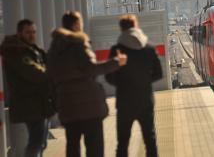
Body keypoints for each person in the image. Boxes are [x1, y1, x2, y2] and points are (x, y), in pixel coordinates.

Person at [46, 11, 127, 157]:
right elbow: (91, 69)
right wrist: (116, 62)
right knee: (94, 147)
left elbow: (50, 78)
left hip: (66, 104)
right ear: (77, 24)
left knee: (72, 145)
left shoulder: (53, 50)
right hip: (89, 106)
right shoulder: (78, 44)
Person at [106, 14, 162, 157]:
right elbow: (158, 74)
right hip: (145, 101)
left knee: (123, 143)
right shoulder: (149, 48)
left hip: (124, 102)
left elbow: (109, 76)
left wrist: (123, 84)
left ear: (121, 29)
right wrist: (144, 81)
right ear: (136, 26)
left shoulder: (116, 50)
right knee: (150, 140)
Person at [0, 19, 54, 157]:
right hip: (30, 103)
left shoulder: (31, 49)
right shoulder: (16, 51)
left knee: (40, 141)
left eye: (34, 32)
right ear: (19, 33)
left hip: (39, 102)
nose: (32, 35)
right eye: (28, 32)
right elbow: (33, 73)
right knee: (36, 141)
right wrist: (52, 73)